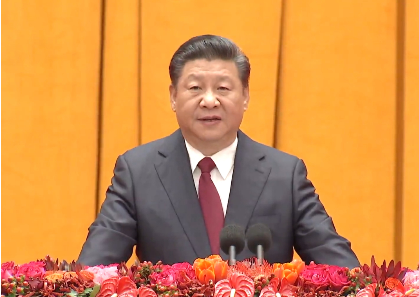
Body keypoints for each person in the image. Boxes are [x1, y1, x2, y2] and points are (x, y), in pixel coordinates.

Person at [79, 35, 359, 268]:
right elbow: (91, 273)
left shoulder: (285, 175)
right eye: (195, 88)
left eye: (223, 88)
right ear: (173, 96)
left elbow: (341, 271)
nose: (210, 100)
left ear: (245, 96)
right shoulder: (137, 172)